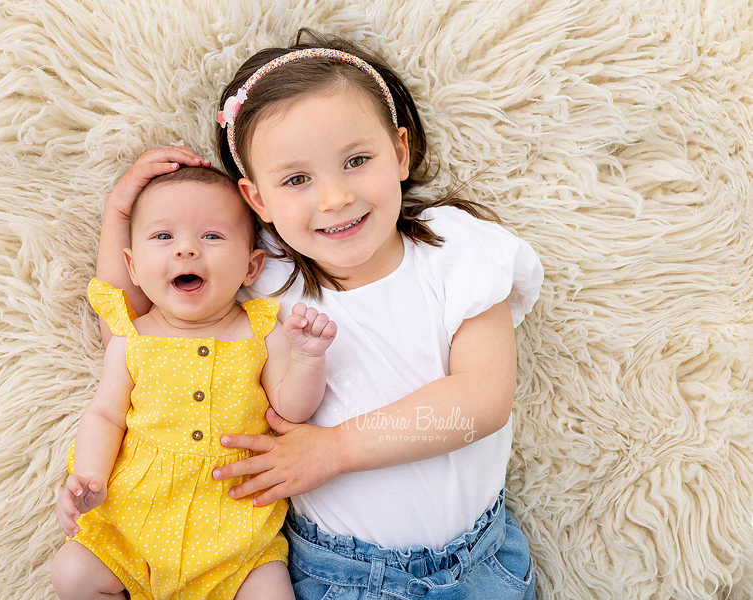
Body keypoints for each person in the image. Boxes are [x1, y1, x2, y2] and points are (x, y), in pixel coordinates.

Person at [96, 29, 544, 599]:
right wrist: (118, 212)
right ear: (258, 200)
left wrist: (335, 450)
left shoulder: (453, 250)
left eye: (357, 160)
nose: (333, 198)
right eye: (297, 180)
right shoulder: (265, 275)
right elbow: (134, 319)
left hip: (479, 568)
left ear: (400, 153)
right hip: (337, 574)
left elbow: (482, 400)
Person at [52, 166, 337, 600]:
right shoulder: (132, 338)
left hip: (235, 533)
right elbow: (106, 415)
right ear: (134, 266)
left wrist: (308, 357)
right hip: (133, 528)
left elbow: (292, 408)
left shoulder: (261, 330)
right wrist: (88, 480)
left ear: (250, 266)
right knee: (72, 571)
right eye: (163, 237)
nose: (186, 249)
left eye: (212, 237)